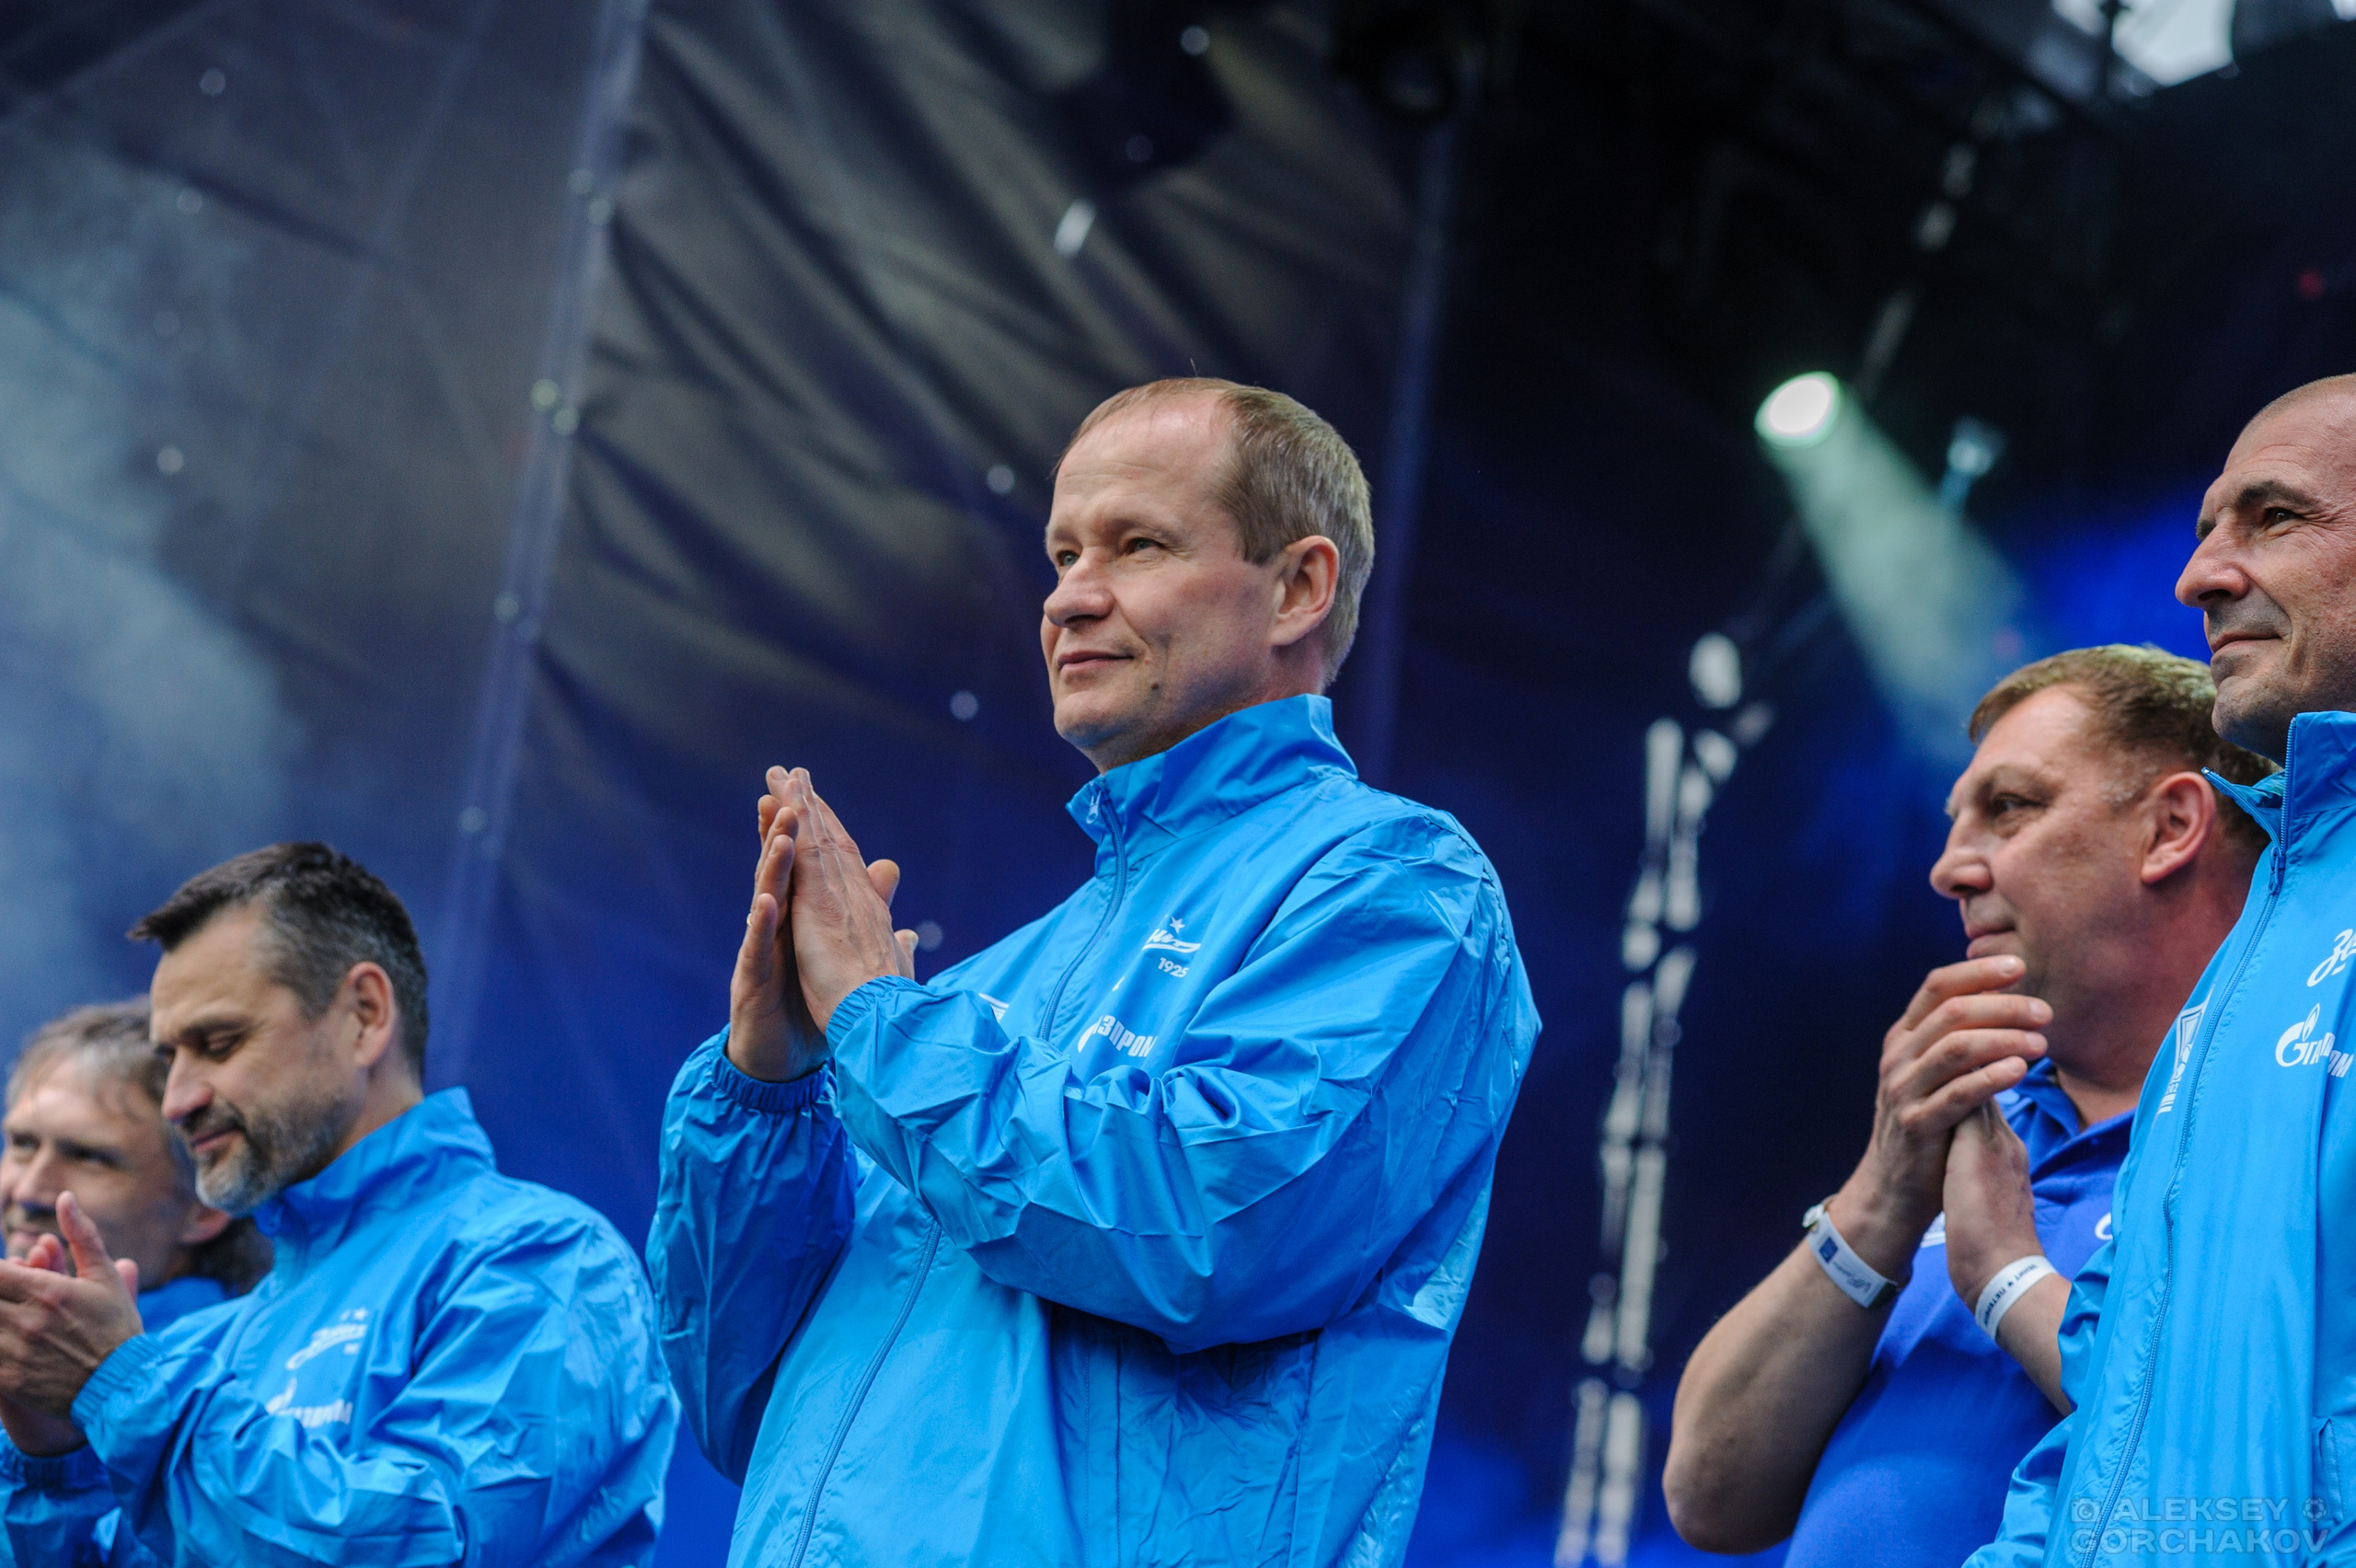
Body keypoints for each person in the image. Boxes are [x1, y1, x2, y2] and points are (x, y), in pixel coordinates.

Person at [651, 377, 1541, 1566]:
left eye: (1137, 545)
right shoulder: (972, 995)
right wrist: (768, 1089)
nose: (1069, 596)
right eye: (1064, 553)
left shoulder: (1398, 883)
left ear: (1299, 587)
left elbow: (1212, 1233)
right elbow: (744, 1407)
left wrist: (876, 1018)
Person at [1664, 646, 2272, 1566]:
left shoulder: (2292, 1115)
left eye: (2010, 807)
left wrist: (2005, 1277)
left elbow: (2256, 1460)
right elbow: (1709, 1495)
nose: (1949, 869)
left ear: (2171, 826)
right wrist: (1882, 1192)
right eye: (1957, 822)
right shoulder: (1970, 1127)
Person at [0, 843, 677, 1566]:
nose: (177, 1101)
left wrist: (125, 1392)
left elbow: (426, 1549)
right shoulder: (199, 1349)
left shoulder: (545, 1259)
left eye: (219, 1043)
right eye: (171, 1059)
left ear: (364, 1014)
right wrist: (51, 1468)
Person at [1963, 375, 2356, 1565]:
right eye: (2203, 529)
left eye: (2274, 517)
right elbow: (2126, 1423)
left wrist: (2000, 1272)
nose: (2198, 577)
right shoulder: (2247, 961)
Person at [3, 997, 269, 1333]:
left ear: (207, 1206)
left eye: (90, 1158)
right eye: (23, 1144)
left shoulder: (227, 1362)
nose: (27, 1192)